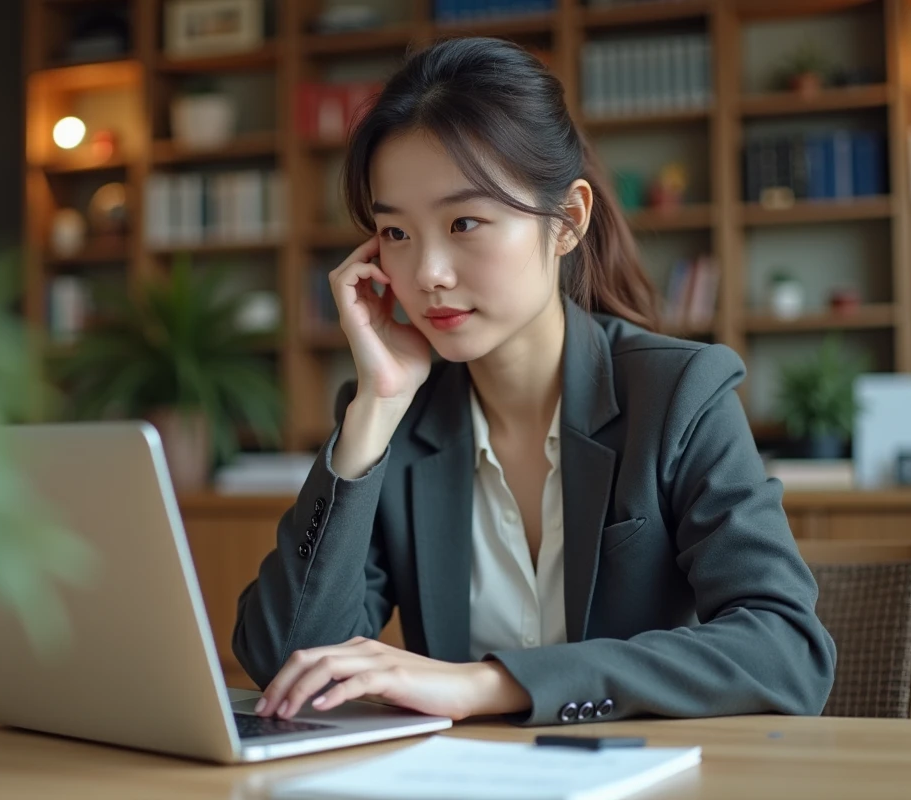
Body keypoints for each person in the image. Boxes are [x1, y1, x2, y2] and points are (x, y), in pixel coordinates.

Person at [232, 36, 836, 727]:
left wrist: (491, 685)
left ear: (567, 222)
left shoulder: (676, 396)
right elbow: (286, 663)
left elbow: (788, 652)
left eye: (464, 222)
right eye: (395, 233)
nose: (428, 272)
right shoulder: (395, 417)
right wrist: (373, 412)